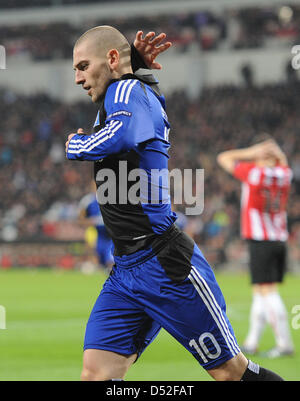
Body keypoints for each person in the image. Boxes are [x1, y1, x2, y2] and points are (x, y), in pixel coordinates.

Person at [65, 26, 283, 381]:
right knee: (98, 374)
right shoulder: (130, 89)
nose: (77, 78)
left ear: (112, 59)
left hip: (166, 266)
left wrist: (76, 145)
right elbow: (133, 112)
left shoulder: (125, 89)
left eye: (83, 66)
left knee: (231, 372)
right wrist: (134, 64)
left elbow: (123, 133)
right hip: (126, 270)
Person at [217, 134, 294, 358]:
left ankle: (284, 344)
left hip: (261, 240)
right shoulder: (284, 174)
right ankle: (252, 341)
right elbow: (283, 163)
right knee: (260, 292)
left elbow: (224, 158)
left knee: (267, 291)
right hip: (278, 238)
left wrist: (251, 151)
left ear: (261, 156)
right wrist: (275, 153)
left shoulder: (255, 173)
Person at [78, 181, 114, 273]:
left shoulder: (114, 199)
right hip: (98, 235)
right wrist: (93, 221)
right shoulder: (87, 201)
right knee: (100, 264)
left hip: (112, 237)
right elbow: (80, 221)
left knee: (111, 263)